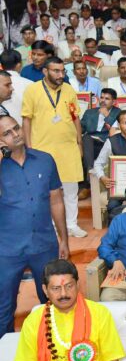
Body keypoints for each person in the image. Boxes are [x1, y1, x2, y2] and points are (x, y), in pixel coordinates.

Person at [0, 115, 68, 338]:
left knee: (53, 302)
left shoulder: (45, 160)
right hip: (7, 250)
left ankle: (54, 351)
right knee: (3, 308)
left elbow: (56, 201)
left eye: (16, 128)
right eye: (7, 133)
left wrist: (64, 239)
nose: (16, 134)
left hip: (44, 245)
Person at [21, 56, 85, 237]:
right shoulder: (32, 90)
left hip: (68, 148)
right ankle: (53, 227)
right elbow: (26, 120)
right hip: (42, 151)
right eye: (56, 71)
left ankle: (72, 225)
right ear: (45, 71)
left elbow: (75, 117)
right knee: (47, 192)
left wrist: (79, 143)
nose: (60, 74)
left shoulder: (69, 90)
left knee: (71, 190)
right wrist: (29, 148)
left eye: (63, 71)